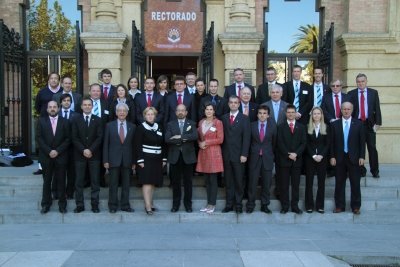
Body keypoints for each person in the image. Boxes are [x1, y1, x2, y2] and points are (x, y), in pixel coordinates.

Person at [330, 102, 365, 215]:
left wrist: (362, 156)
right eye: (344, 109)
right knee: (339, 183)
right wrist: (332, 156)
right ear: (341, 110)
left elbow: (362, 142)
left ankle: (356, 206)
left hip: (354, 158)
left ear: (352, 110)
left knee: (355, 183)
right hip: (339, 158)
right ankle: (340, 206)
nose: (346, 111)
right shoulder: (335, 124)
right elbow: (331, 143)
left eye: (348, 109)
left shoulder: (359, 124)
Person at [36, 100, 71, 214]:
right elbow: (39, 138)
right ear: (47, 109)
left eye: (54, 107)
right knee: (47, 182)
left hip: (61, 156)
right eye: (50, 107)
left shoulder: (65, 122)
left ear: (58, 108)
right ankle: (46, 204)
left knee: (61, 182)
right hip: (46, 157)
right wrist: (49, 151)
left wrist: (57, 151)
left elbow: (68, 138)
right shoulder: (41, 121)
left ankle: (62, 205)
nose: (52, 109)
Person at [72, 96, 104, 213]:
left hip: (94, 155)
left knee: (95, 181)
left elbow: (100, 137)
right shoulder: (76, 119)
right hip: (79, 155)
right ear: (81, 106)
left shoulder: (98, 120)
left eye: (89, 105)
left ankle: (95, 204)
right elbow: (74, 137)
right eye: (84, 105)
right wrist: (84, 150)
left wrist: (90, 150)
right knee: (79, 181)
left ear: (92, 106)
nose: (87, 107)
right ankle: (79, 204)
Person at [103, 103, 136, 213]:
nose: (122, 112)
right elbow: (106, 144)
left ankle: (125, 205)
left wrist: (134, 161)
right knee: (113, 183)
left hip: (127, 159)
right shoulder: (109, 125)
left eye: (124, 111)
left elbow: (134, 145)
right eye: (119, 110)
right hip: (113, 159)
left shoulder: (132, 126)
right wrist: (106, 160)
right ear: (116, 113)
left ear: (127, 113)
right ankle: (112, 205)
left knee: (126, 184)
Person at [165, 104, 198, 213]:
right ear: (175, 112)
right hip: (175, 156)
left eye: (182, 110)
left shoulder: (191, 123)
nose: (180, 112)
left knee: (188, 181)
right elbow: (167, 139)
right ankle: (176, 204)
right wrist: (184, 140)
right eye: (178, 110)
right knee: (176, 182)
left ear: (186, 112)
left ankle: (188, 205)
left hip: (188, 156)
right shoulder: (170, 124)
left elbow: (195, 136)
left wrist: (181, 137)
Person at [348, 73, 381, 178]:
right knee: (358, 147)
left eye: (362, 81)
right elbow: (349, 110)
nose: (360, 83)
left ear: (366, 82)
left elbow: (377, 108)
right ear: (356, 82)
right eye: (358, 82)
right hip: (357, 124)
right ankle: (361, 170)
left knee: (371, 147)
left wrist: (378, 123)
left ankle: (374, 170)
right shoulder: (351, 94)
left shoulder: (373, 93)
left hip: (369, 124)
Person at [221, 96, 251, 213]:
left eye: (235, 103)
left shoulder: (244, 118)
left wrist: (244, 154)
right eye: (231, 102)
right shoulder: (223, 118)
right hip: (226, 155)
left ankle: (238, 205)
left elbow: (246, 138)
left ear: (239, 105)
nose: (233, 104)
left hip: (239, 155)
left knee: (239, 181)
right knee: (228, 181)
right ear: (228, 104)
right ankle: (229, 204)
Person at [135, 107, 167, 214]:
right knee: (147, 182)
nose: (150, 116)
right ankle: (147, 206)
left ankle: (150, 203)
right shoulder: (140, 128)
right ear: (144, 116)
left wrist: (164, 158)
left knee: (153, 182)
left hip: (157, 159)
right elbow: (137, 145)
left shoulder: (160, 127)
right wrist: (140, 160)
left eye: (152, 114)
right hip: (146, 158)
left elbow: (163, 144)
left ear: (155, 116)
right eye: (148, 114)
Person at [246, 105, 276, 214]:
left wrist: (270, 154)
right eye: (260, 113)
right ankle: (250, 205)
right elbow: (248, 142)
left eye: (264, 113)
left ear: (268, 115)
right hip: (254, 157)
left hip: (267, 158)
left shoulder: (273, 127)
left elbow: (274, 143)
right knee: (252, 183)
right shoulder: (252, 125)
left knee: (266, 183)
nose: (262, 115)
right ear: (257, 114)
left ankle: (265, 205)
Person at [320, 78, 353, 177]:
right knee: (331, 145)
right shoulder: (326, 97)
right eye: (333, 86)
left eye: (337, 86)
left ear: (341, 87)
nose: (335, 88)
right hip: (331, 125)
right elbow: (323, 110)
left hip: (345, 125)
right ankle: (331, 169)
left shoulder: (348, 97)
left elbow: (351, 110)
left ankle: (346, 168)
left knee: (344, 144)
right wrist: (331, 120)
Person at [277, 104, 306, 214]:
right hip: (284, 160)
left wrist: (296, 154)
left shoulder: (301, 127)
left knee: (295, 185)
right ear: (286, 114)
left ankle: (294, 205)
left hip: (296, 161)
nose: (290, 114)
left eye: (292, 112)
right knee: (284, 185)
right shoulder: (280, 127)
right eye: (288, 112)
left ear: (295, 113)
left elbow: (303, 143)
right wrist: (288, 154)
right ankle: (284, 206)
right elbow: (279, 142)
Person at [196, 101, 224, 213]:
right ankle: (208, 204)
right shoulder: (201, 122)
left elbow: (220, 139)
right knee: (206, 180)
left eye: (211, 109)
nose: (208, 111)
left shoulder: (218, 123)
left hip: (214, 153)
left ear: (214, 111)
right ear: (204, 111)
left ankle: (212, 204)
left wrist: (206, 142)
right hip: (203, 153)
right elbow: (198, 136)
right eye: (207, 109)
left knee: (213, 180)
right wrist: (199, 143)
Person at [33, 72, 63, 176]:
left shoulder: (62, 91)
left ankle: (57, 165)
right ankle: (41, 167)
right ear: (49, 80)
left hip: (58, 121)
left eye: (56, 78)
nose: (54, 80)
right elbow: (37, 106)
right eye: (52, 78)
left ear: (59, 80)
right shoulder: (42, 92)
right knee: (43, 144)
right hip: (45, 121)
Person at [263, 84, 289, 200]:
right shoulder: (264, 106)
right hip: (268, 142)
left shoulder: (287, 106)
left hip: (283, 142)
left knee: (281, 169)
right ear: (270, 93)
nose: (275, 94)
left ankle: (279, 191)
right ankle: (265, 193)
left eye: (277, 92)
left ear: (281, 93)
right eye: (272, 92)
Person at [304, 107, 330, 213]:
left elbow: (328, 143)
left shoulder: (326, 127)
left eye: (318, 113)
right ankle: (309, 205)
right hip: (310, 158)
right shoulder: (307, 127)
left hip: (322, 159)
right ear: (312, 115)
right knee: (309, 182)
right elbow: (306, 143)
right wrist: (313, 155)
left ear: (321, 115)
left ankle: (320, 206)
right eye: (314, 114)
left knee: (321, 183)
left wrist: (321, 155)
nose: (316, 115)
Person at [57, 94, 78, 200]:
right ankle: (57, 192)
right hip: (59, 149)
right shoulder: (56, 114)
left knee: (71, 172)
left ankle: (70, 192)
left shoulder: (76, 115)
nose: (66, 102)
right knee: (59, 172)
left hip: (72, 148)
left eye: (68, 100)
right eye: (64, 100)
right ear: (61, 102)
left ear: (71, 102)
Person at [89, 83, 109, 188]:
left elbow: (109, 120)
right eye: (94, 91)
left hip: (103, 136)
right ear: (90, 92)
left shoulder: (106, 104)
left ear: (101, 92)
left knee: (101, 158)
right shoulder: (85, 104)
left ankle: (101, 179)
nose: (96, 93)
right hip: (88, 137)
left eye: (98, 91)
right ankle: (88, 180)